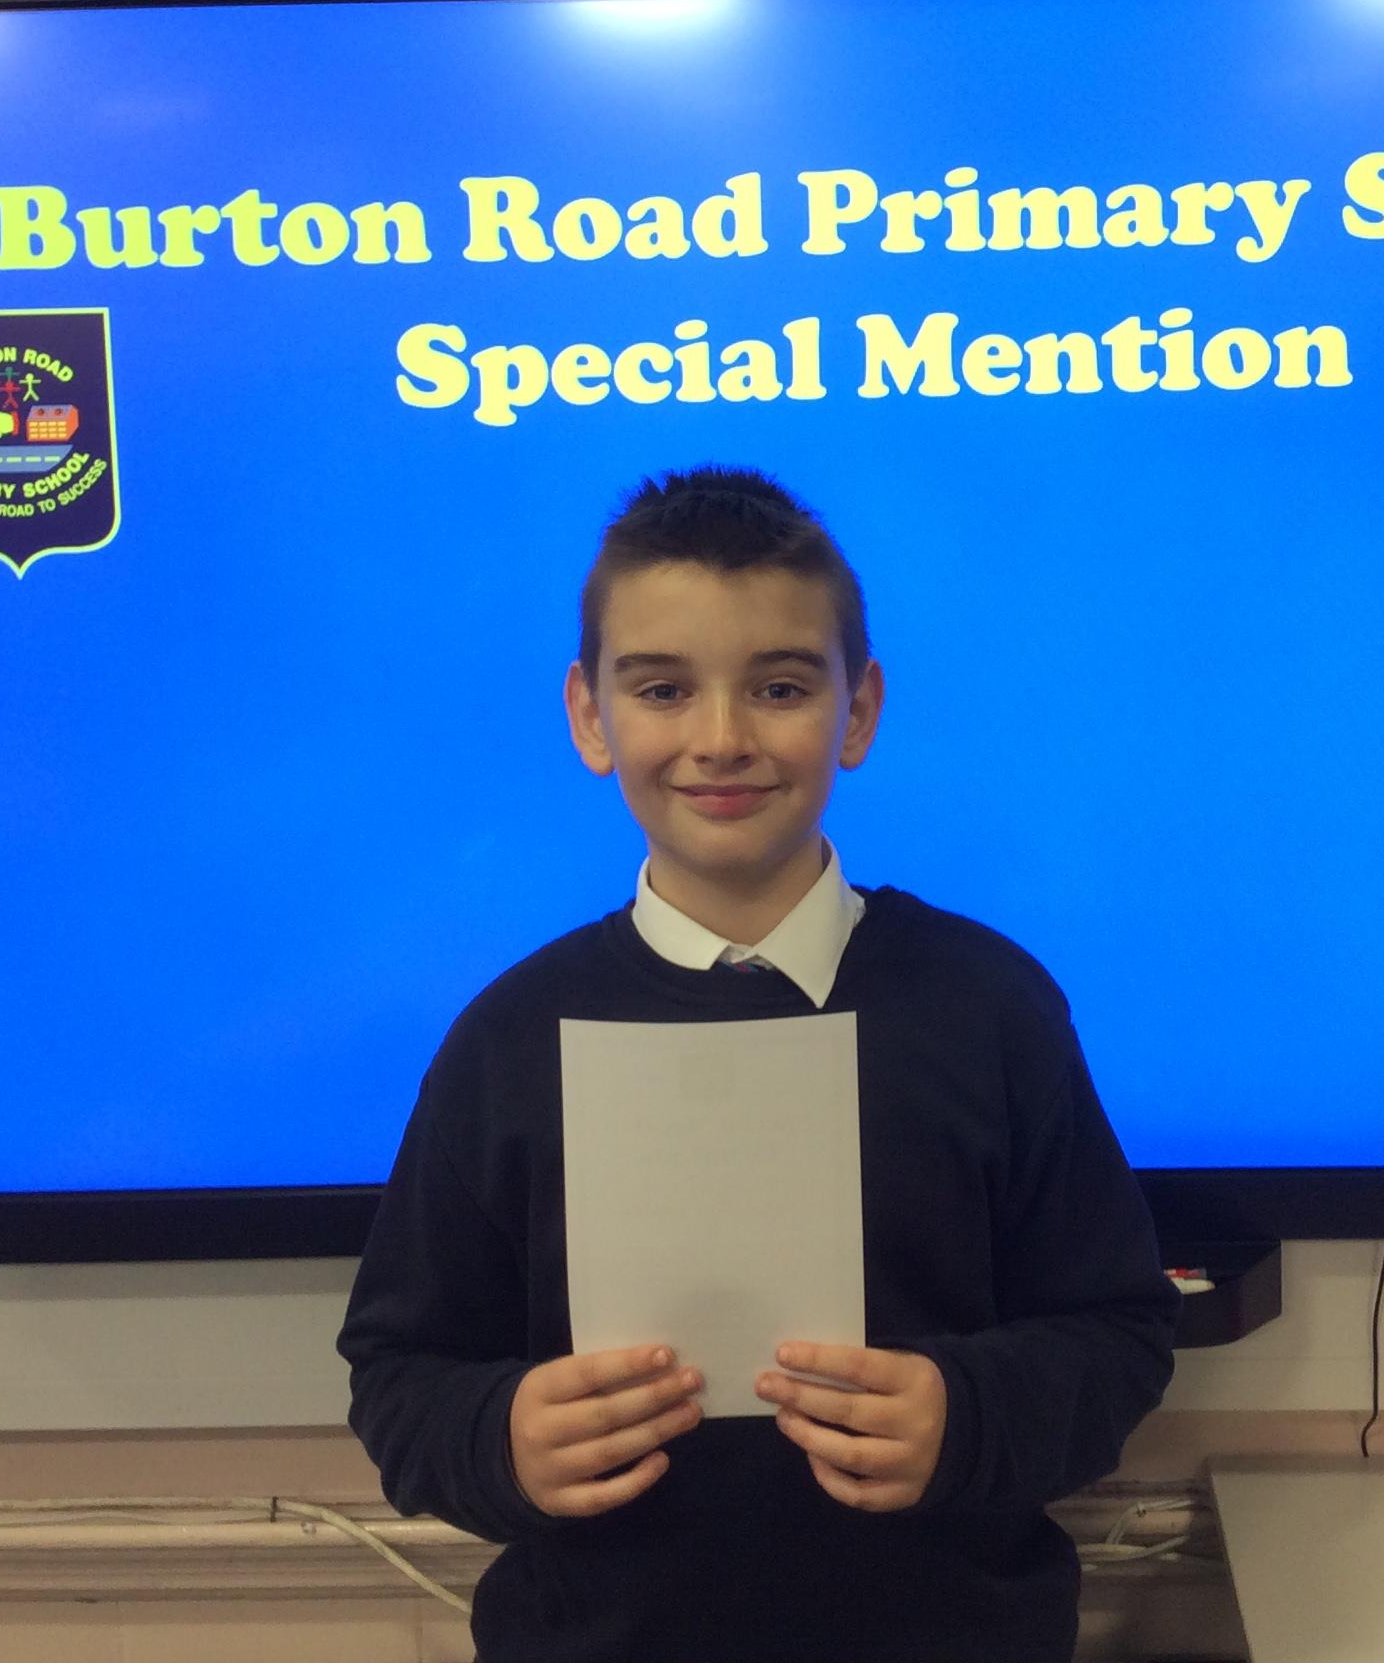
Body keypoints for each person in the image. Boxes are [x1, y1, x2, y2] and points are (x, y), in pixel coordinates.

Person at [338, 466, 1177, 1662]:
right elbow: (399, 1373)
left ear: (857, 710)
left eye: (780, 687)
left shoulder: (990, 1006)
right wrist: (500, 1435)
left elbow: (1120, 1330)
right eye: (663, 689)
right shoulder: (509, 1037)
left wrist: (965, 1412)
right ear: (591, 716)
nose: (722, 739)